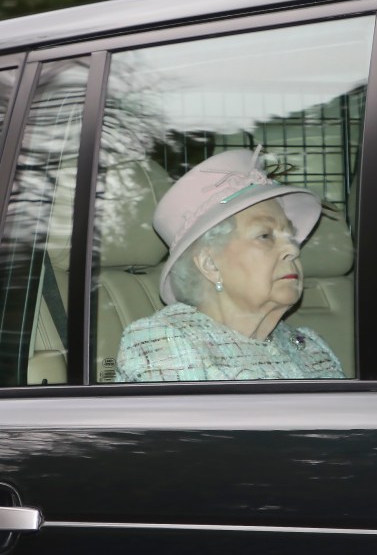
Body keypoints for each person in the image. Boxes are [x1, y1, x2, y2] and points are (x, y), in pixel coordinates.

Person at [115, 148, 344, 381]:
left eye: (291, 236)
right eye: (265, 236)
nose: (293, 250)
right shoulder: (166, 342)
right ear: (210, 264)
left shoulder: (311, 347)